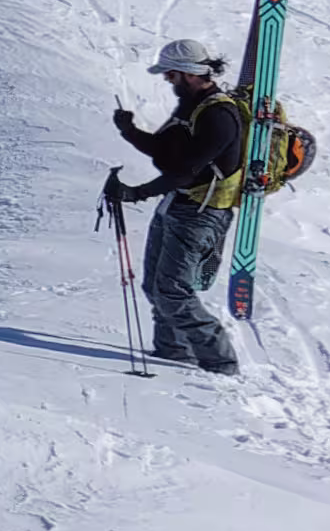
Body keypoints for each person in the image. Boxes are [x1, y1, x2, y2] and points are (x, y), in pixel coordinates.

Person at [108, 41, 251, 374]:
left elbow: (187, 169)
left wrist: (136, 193)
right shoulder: (192, 105)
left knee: (173, 291)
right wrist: (129, 131)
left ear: (188, 73)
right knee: (155, 287)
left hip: (202, 214)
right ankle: (173, 356)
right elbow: (166, 152)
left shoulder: (219, 115)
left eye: (171, 75)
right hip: (178, 205)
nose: (168, 82)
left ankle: (221, 364)